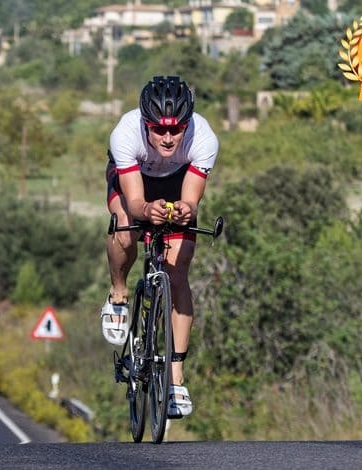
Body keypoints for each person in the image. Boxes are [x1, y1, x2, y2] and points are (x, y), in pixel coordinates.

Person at [101, 75, 218, 418]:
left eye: (176, 130)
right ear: (144, 123)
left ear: (187, 124)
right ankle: (119, 294)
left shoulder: (204, 137)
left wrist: (185, 210)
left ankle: (175, 379)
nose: (168, 138)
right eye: (158, 130)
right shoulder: (125, 133)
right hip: (134, 183)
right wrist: (145, 211)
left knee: (178, 272)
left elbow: (192, 200)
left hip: (177, 183)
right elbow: (136, 201)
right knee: (125, 231)